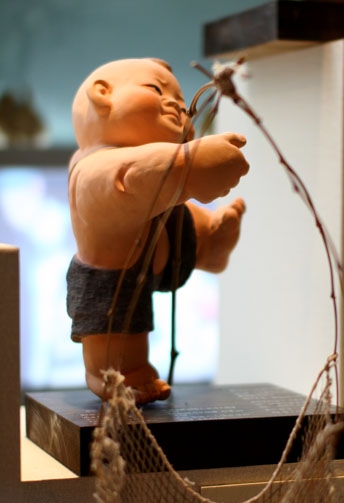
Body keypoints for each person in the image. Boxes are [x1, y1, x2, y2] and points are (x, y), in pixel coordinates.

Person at [66, 57, 249, 404]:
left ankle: (209, 241)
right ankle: (114, 373)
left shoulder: (149, 157)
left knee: (182, 216)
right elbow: (131, 178)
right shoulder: (92, 166)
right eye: (156, 89)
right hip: (112, 278)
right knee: (120, 334)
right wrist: (190, 165)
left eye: (180, 99)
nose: (178, 105)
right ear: (103, 95)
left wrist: (191, 165)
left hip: (159, 248)